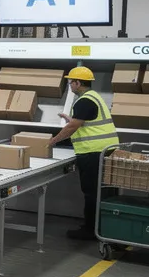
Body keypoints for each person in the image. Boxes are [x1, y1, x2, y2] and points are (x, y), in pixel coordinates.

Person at [49, 66, 119, 240]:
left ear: (78, 83)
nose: (70, 85)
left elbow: (74, 127)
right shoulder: (94, 97)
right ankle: (99, 225)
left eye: (71, 82)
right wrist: (70, 120)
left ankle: (90, 230)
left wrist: (53, 141)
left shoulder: (84, 101)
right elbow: (84, 121)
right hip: (106, 149)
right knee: (101, 191)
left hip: (93, 152)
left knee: (91, 192)